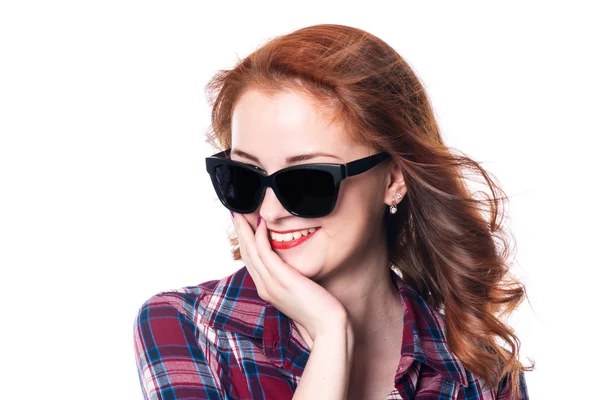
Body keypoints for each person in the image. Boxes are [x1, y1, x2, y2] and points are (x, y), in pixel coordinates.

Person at [133, 23, 532, 400]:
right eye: (245, 177)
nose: (269, 212)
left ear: (393, 179)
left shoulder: (477, 369)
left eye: (307, 182)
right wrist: (329, 337)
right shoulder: (187, 326)